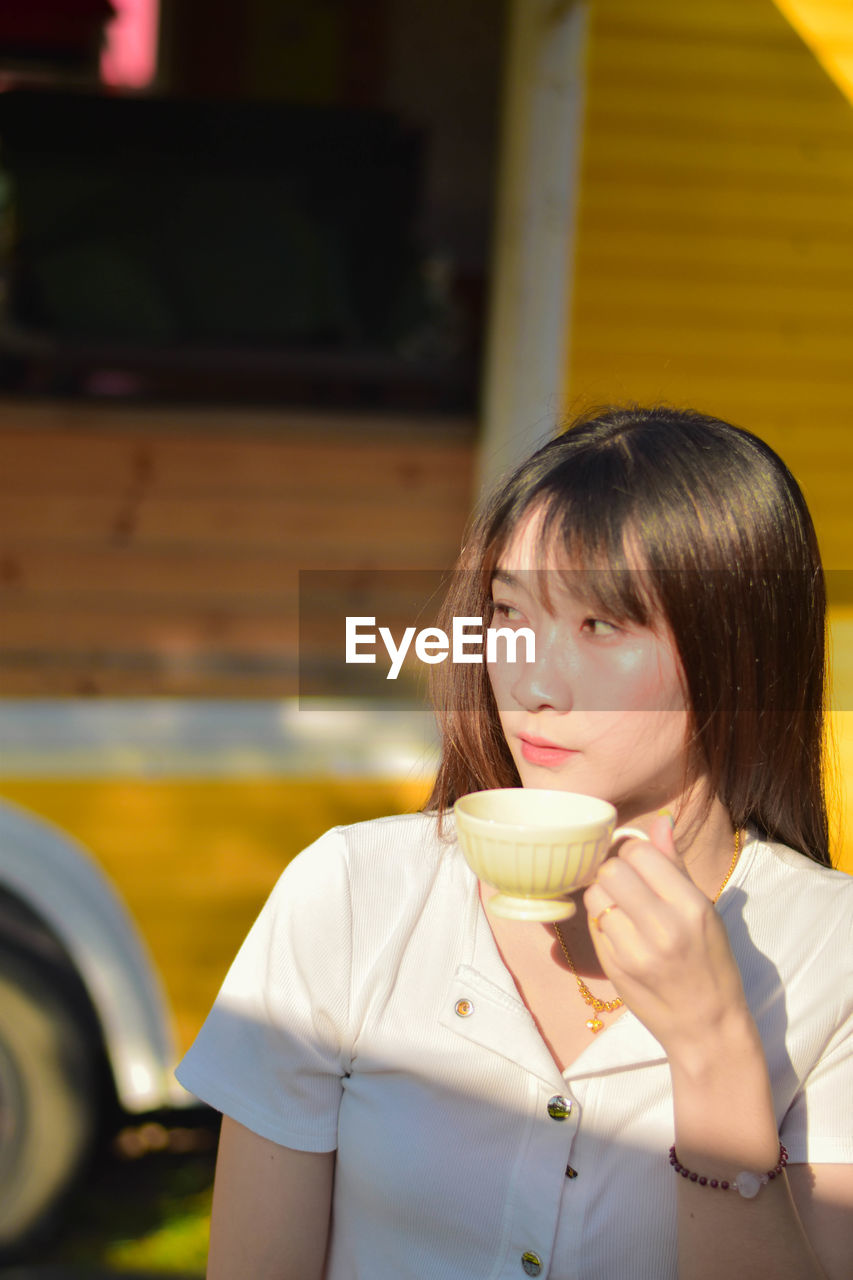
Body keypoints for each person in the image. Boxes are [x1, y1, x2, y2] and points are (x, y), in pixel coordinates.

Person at [176, 405, 853, 1280]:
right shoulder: (352, 893)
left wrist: (715, 1052)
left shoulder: (830, 955)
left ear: (739, 646)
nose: (529, 680)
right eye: (507, 612)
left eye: (600, 626)